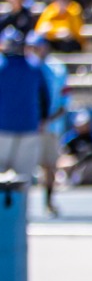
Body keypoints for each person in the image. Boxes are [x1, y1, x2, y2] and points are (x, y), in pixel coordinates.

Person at [0, 28, 51, 189]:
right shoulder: (34, 66)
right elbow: (45, 98)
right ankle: (22, 214)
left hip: (2, 128)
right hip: (29, 127)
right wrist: (42, 120)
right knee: (24, 178)